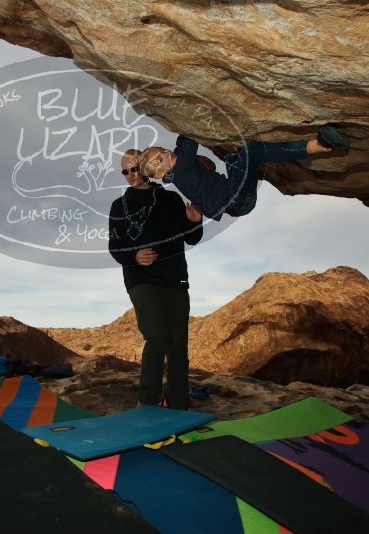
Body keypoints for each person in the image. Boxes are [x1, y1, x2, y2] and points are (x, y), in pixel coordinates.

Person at [108, 148, 203, 410]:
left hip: (175, 279)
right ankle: (146, 403)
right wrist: (135, 256)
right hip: (141, 280)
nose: (129, 175)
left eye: (133, 168)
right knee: (158, 336)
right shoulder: (119, 206)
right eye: (124, 171)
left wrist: (196, 221)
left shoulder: (171, 199)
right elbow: (115, 248)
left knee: (178, 347)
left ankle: (178, 402)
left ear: (145, 166)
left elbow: (192, 238)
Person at [138, 125, 350, 220]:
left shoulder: (176, 172)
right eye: (161, 159)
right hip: (236, 198)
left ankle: (298, 155)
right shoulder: (182, 170)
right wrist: (181, 120)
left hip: (235, 200)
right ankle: (318, 145)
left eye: (163, 151)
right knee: (250, 152)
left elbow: (179, 146)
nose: (167, 154)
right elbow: (189, 138)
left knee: (234, 157)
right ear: (160, 175)